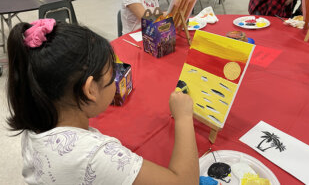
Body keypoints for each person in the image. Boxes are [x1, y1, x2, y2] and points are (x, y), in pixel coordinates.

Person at [6, 18, 199, 185]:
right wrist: (183, 117)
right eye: (112, 74)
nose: (116, 78)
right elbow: (184, 182)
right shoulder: (94, 156)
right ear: (90, 90)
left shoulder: (36, 116)